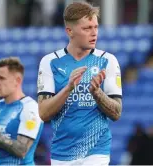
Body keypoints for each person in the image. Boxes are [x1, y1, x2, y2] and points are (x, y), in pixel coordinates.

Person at [37, 2, 122, 165]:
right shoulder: (50, 62)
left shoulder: (107, 61)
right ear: (70, 31)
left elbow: (117, 112)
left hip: (96, 152)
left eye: (96, 27)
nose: (94, 33)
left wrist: (97, 93)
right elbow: (43, 113)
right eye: (87, 28)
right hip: (61, 153)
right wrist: (68, 88)